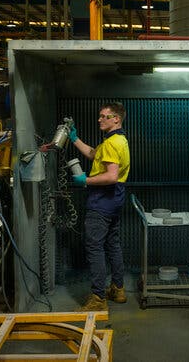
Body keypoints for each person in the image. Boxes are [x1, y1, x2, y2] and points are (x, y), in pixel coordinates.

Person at [69, 102, 130, 311]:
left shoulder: (112, 143)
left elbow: (111, 176)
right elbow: (93, 154)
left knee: (95, 248)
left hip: (102, 201)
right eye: (100, 116)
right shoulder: (117, 140)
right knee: (112, 244)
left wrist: (85, 181)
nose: (99, 119)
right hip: (115, 201)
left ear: (116, 119)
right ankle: (118, 289)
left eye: (105, 116)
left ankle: (97, 298)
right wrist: (74, 139)